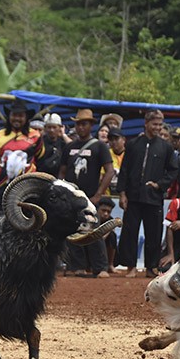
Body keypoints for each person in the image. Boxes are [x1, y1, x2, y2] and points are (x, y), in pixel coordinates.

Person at [117, 109, 178, 278]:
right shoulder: (133, 144)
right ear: (146, 123)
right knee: (130, 232)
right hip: (133, 196)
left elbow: (173, 171)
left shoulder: (166, 147)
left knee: (154, 233)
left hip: (153, 197)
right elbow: (124, 170)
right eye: (154, 124)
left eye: (160, 124)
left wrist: (159, 185)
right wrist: (122, 193)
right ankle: (130, 267)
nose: (157, 127)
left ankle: (152, 267)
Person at [60, 108, 114, 278]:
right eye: (78, 124)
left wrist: (98, 194)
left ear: (91, 125)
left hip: (89, 196)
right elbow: (62, 172)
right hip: (70, 197)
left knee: (94, 231)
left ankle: (101, 267)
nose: (81, 127)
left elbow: (110, 171)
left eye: (84, 124)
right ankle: (77, 267)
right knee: (71, 230)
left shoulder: (99, 146)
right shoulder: (69, 147)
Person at [0, 100, 44, 207]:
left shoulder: (35, 136)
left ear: (26, 118)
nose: (17, 118)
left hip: (27, 187)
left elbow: (41, 161)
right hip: (2, 186)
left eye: (21, 115)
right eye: (14, 115)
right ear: (9, 116)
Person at [96, 196, 118, 273]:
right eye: (103, 210)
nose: (105, 214)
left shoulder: (110, 221)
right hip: (90, 245)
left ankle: (110, 265)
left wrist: (108, 230)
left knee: (112, 236)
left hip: (103, 244)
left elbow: (103, 239)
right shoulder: (91, 219)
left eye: (108, 212)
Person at [105, 127, 125, 194]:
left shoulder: (130, 154)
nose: (114, 142)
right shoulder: (106, 154)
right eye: (111, 139)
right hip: (108, 195)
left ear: (123, 139)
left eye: (116, 139)